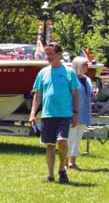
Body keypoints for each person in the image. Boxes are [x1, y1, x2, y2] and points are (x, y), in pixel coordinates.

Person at [29, 42, 80, 183]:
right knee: (50, 145)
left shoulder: (68, 72)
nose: (48, 57)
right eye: (47, 54)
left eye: (51, 54)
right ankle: (51, 175)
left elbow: (76, 94)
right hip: (47, 114)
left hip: (64, 114)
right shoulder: (43, 73)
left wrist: (76, 113)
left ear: (58, 55)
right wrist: (33, 113)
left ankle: (62, 169)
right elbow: (37, 95)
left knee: (62, 141)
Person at [66, 56, 95, 170]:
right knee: (70, 137)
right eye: (84, 65)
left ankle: (73, 161)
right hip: (73, 112)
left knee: (78, 138)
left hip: (84, 112)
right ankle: (65, 160)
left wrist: (94, 93)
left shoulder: (87, 79)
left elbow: (89, 92)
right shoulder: (71, 79)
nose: (87, 67)